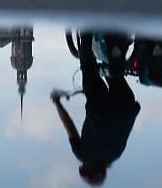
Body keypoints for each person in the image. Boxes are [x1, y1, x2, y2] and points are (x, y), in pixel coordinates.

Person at [51, 32, 140, 186]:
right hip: (100, 107)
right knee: (88, 66)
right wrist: (57, 102)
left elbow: (124, 127)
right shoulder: (83, 155)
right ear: (86, 168)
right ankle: (87, 30)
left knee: (113, 71)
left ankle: (119, 43)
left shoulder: (116, 154)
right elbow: (69, 125)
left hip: (126, 105)